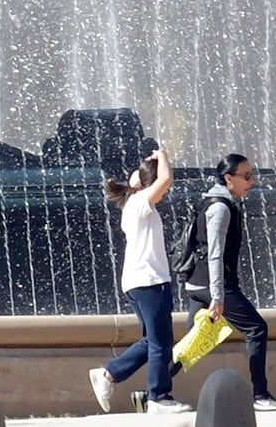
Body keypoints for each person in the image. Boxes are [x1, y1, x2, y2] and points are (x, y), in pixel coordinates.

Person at [89, 146, 182, 413]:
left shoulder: (136, 203)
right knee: (161, 343)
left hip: (139, 281)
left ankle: (108, 374)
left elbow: (159, 180)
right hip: (149, 281)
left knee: (152, 340)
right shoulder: (141, 202)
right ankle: (158, 397)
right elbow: (165, 179)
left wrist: (140, 176)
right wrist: (162, 155)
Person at [198, 153, 276, 412]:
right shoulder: (220, 208)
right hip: (214, 285)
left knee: (194, 342)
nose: (252, 181)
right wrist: (218, 296)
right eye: (246, 176)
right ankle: (260, 395)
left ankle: (152, 391)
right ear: (229, 179)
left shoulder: (218, 201)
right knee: (256, 328)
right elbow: (214, 254)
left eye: (252, 175)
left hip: (199, 283)